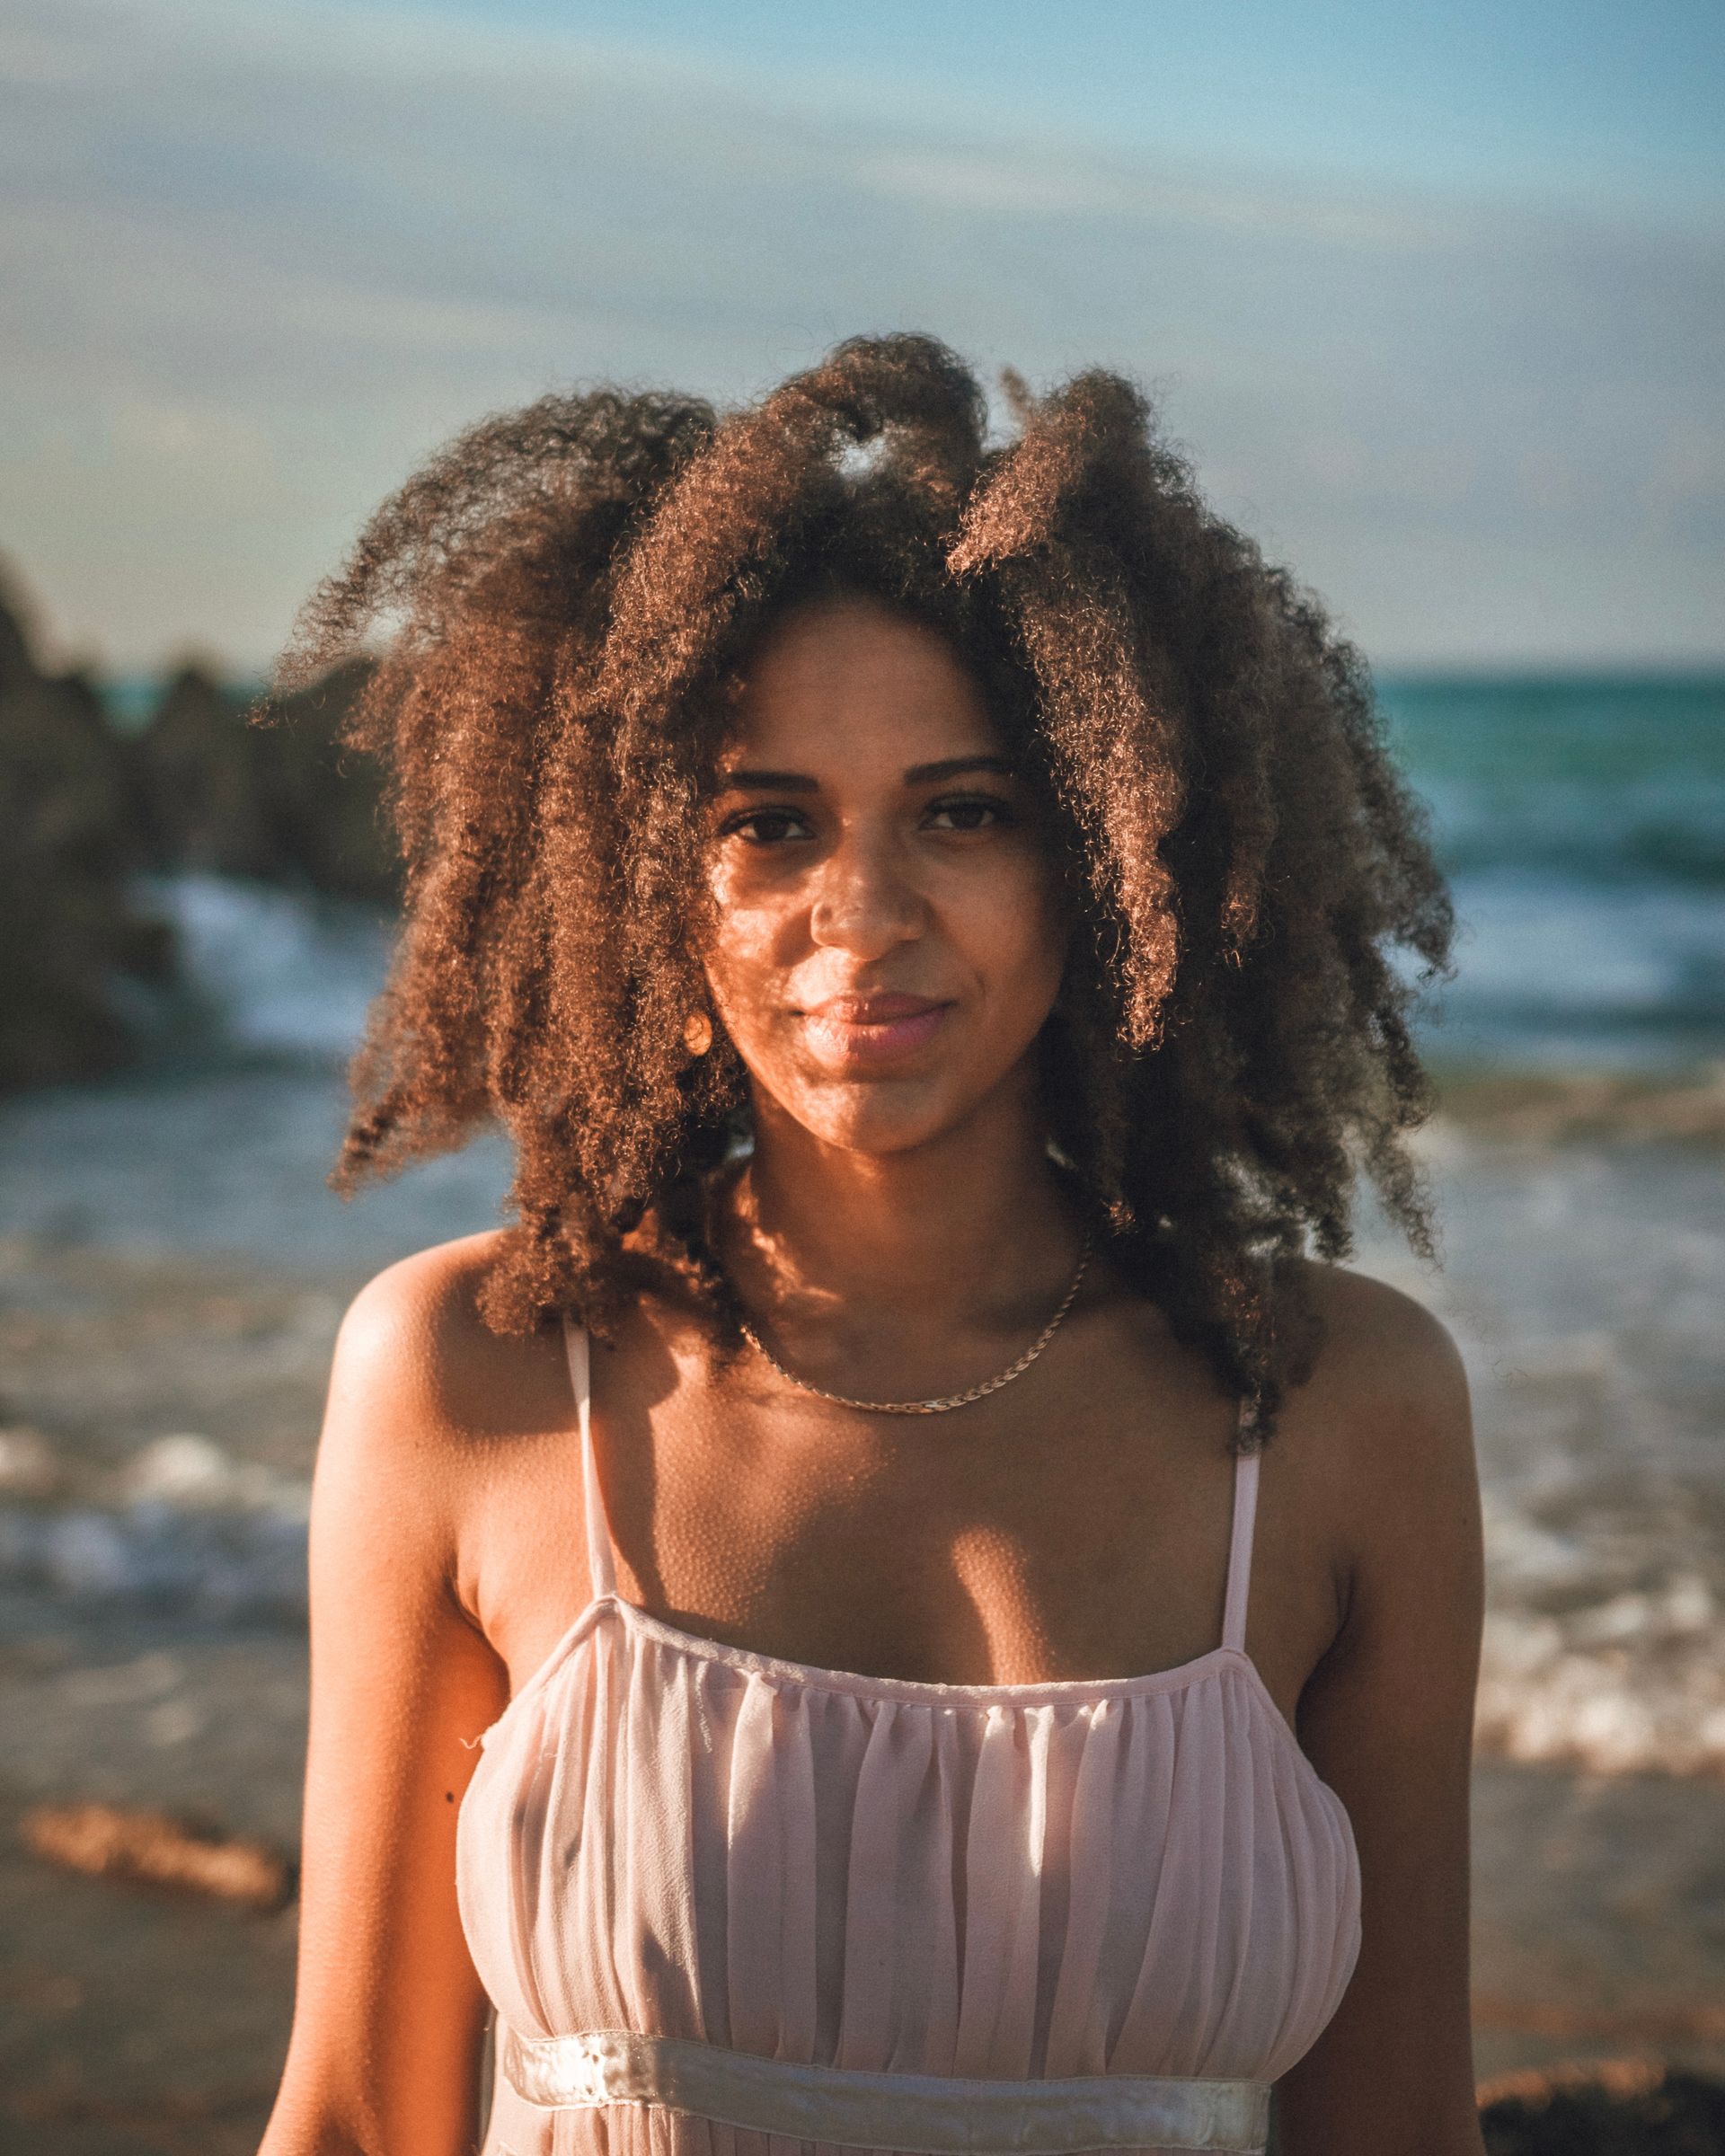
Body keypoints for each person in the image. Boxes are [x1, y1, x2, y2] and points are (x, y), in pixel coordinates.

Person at [259, 335, 1486, 2156]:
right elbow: (360, 2121)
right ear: (645, 878)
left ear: (1112, 853)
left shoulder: (1338, 1412)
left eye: (963, 812)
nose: (865, 917)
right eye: (769, 823)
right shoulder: (473, 1379)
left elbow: (1398, 2133)